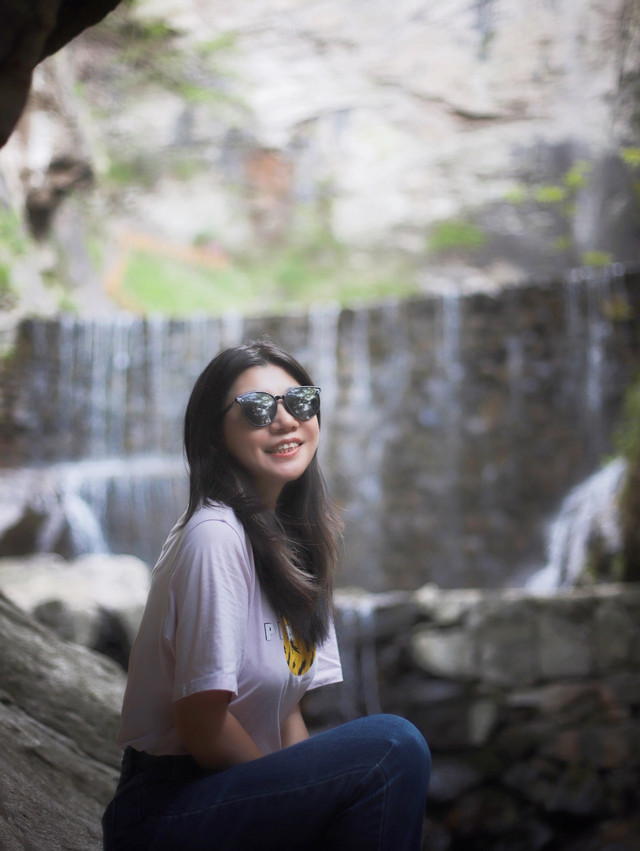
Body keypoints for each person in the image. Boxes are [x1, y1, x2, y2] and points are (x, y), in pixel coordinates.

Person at [102, 339, 431, 851]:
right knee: (392, 744)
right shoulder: (214, 537)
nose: (285, 421)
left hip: (233, 791)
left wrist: (302, 799)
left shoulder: (295, 541)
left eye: (300, 401)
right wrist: (295, 808)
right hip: (168, 809)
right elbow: (202, 725)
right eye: (257, 408)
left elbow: (286, 712)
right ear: (215, 433)